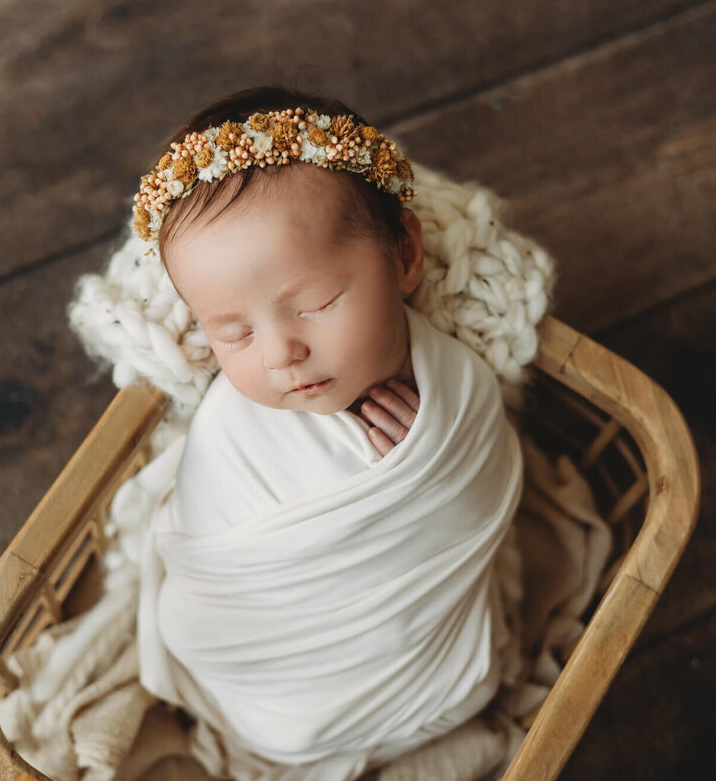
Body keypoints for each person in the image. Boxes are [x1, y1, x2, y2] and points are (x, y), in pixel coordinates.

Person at [127, 86, 525, 780]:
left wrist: (428, 467)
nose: (280, 354)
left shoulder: (455, 388)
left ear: (405, 253)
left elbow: (482, 494)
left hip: (436, 682)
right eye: (234, 332)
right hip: (270, 702)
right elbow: (208, 584)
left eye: (315, 304)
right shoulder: (228, 427)